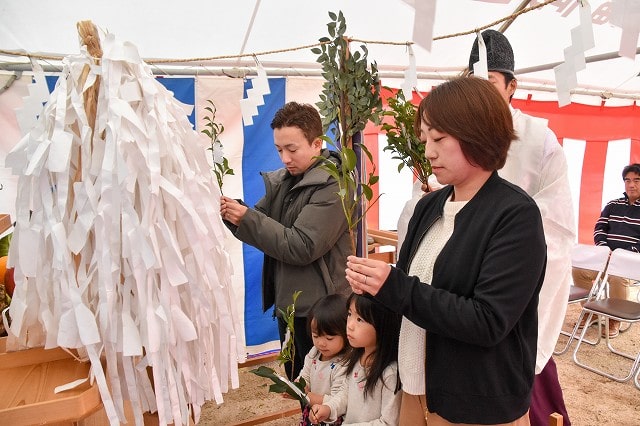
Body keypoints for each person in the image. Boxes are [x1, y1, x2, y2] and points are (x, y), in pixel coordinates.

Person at [347, 76, 547, 425]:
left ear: (478, 133)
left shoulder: (515, 215)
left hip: (475, 402)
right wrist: (373, 290)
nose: (428, 151)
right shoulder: (430, 206)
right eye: (425, 139)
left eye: (439, 138)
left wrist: (394, 286)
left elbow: (488, 321)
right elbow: (411, 293)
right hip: (415, 387)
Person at [220, 102, 352, 380]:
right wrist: (234, 213)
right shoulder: (284, 182)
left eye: (292, 149)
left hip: (323, 309)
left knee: (326, 392)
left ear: (317, 143)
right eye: (279, 150)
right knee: (298, 381)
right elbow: (261, 221)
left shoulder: (334, 185)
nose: (284, 158)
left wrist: (247, 218)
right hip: (291, 306)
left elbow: (302, 245)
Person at [309, 293, 402, 425]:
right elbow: (346, 393)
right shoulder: (356, 357)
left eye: (360, 320)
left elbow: (388, 422)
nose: (350, 325)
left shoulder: (390, 374)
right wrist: (329, 408)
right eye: (349, 314)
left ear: (383, 324)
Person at [572, 163, 640, 337]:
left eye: (637, 180)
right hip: (605, 258)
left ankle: (614, 318)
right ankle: (593, 311)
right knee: (580, 271)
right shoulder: (613, 205)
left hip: (630, 264)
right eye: (628, 180)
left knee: (618, 278)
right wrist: (604, 249)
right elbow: (599, 228)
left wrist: (624, 255)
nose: (631, 184)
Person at [296, 294, 350, 425]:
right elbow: (305, 376)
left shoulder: (344, 363)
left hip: (332, 418)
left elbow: (336, 400)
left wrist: (303, 395)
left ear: (346, 332)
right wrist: (298, 386)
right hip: (312, 412)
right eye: (316, 336)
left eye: (329, 338)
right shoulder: (314, 353)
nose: (321, 343)